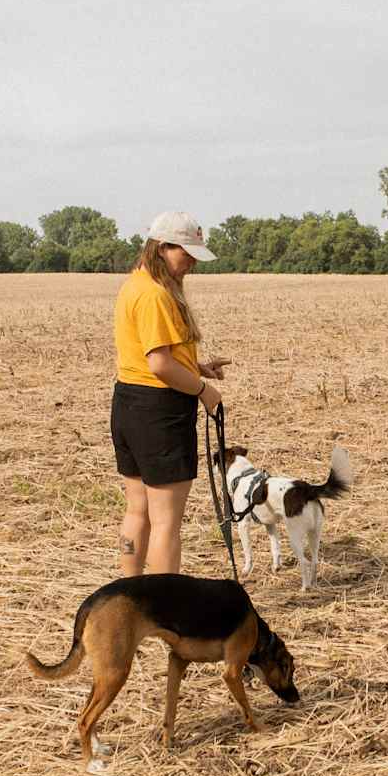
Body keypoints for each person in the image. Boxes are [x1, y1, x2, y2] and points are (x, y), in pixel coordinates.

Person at [111, 211, 230, 576]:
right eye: (186, 252)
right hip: (159, 413)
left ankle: (129, 594)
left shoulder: (135, 284)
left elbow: (155, 352)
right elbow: (160, 365)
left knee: (137, 512)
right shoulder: (155, 296)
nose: (192, 262)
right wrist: (204, 390)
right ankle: (166, 609)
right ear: (162, 247)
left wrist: (195, 366)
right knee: (166, 524)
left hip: (128, 407)